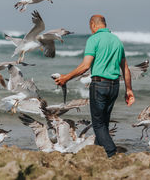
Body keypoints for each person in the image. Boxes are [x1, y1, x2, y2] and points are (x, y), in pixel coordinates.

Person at [54, 15, 135, 157]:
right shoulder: (117, 41)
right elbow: (125, 69)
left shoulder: (93, 39)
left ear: (93, 24)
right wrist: (129, 90)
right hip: (115, 86)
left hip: (99, 85)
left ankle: (111, 152)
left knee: (98, 124)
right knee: (104, 123)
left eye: (90, 26)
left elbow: (85, 66)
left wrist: (66, 78)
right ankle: (99, 153)